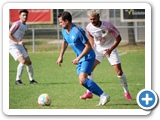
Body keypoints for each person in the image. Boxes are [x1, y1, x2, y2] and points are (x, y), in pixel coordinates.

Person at [56, 11, 110, 106]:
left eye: (61, 22)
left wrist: (78, 58)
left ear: (67, 21)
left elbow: (88, 46)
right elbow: (65, 42)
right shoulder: (64, 31)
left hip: (88, 56)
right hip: (80, 58)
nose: (60, 24)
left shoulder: (77, 31)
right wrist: (61, 56)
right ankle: (101, 95)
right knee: (82, 82)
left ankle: (103, 95)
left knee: (83, 79)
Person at [80, 9, 132, 100]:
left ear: (99, 17)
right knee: (89, 70)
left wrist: (110, 49)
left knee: (119, 72)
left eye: (94, 19)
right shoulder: (89, 27)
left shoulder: (108, 25)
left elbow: (118, 38)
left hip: (110, 49)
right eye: (91, 19)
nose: (92, 21)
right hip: (98, 50)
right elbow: (90, 35)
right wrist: (92, 46)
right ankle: (89, 92)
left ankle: (126, 91)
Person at [9, 9, 38, 85]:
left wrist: (23, 46)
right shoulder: (17, 24)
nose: (25, 17)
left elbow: (20, 37)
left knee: (29, 62)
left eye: (26, 15)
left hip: (19, 45)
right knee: (23, 61)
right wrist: (18, 42)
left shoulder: (25, 26)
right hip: (12, 45)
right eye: (23, 15)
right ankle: (17, 80)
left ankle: (31, 80)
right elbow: (9, 35)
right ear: (20, 16)